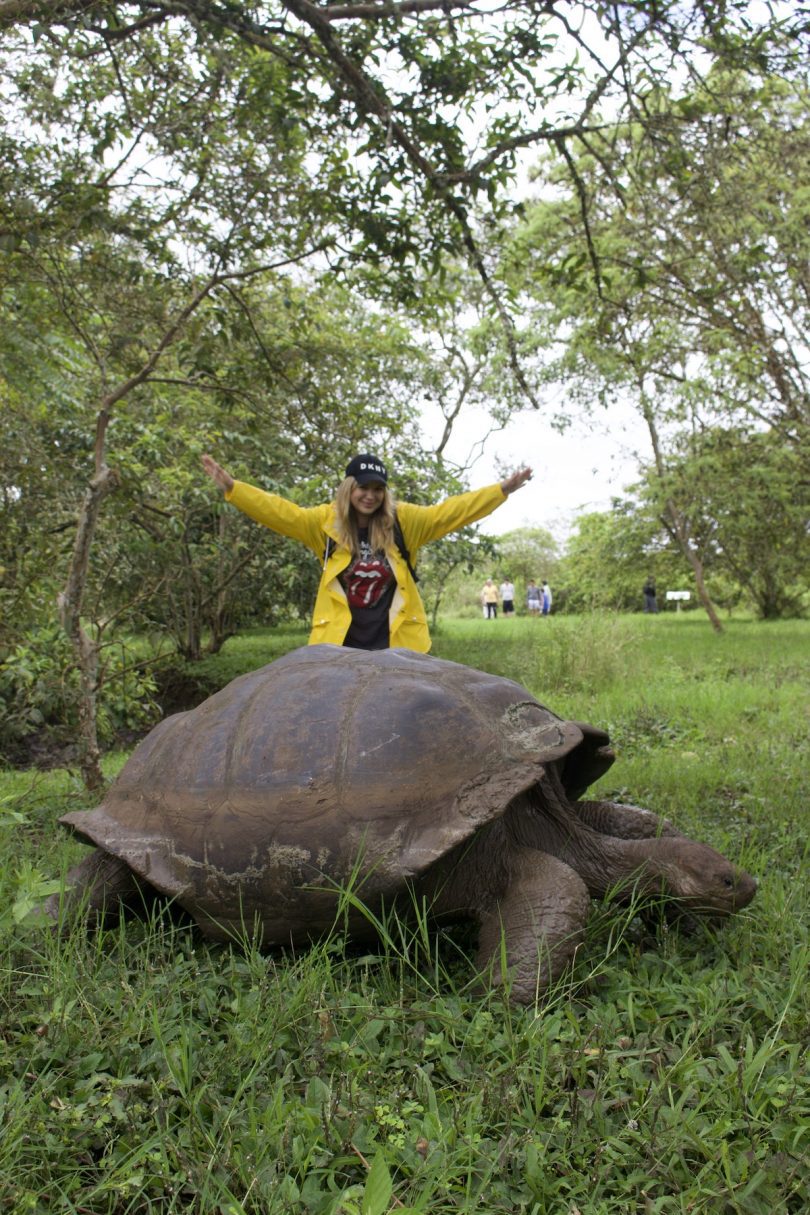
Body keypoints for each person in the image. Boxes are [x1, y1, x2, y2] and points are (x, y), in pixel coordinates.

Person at [202, 452, 532, 652]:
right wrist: (235, 490)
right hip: (339, 645)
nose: (370, 496)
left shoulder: (404, 522)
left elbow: (450, 512)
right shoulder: (325, 524)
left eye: (377, 489)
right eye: (363, 487)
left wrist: (500, 491)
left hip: (395, 645)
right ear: (349, 488)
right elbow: (280, 513)